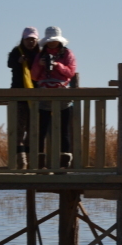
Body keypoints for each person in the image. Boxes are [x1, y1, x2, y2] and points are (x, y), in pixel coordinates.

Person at [30, 26, 76, 168]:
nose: (52, 43)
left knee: (64, 129)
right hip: (44, 94)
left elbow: (70, 72)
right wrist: (40, 65)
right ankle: (40, 162)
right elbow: (34, 76)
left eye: (54, 41)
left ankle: (64, 161)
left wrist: (57, 65)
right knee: (41, 129)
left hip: (62, 94)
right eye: (50, 41)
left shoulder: (67, 54)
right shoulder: (41, 55)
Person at [7, 27, 40, 169]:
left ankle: (32, 161)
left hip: (36, 96)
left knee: (33, 130)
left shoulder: (40, 53)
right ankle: (22, 163)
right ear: (23, 39)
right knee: (19, 130)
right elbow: (9, 64)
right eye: (28, 39)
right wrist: (19, 61)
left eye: (33, 39)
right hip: (19, 95)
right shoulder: (16, 51)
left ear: (37, 40)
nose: (30, 42)